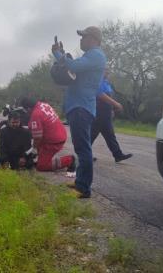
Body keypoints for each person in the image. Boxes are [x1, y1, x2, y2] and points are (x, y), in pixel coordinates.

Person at [52, 26, 107, 198]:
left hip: (82, 108)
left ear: (94, 39)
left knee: (83, 149)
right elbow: (74, 69)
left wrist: (58, 54)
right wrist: (62, 54)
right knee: (81, 147)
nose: (81, 40)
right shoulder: (91, 56)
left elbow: (73, 66)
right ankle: (79, 182)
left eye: (84, 37)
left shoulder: (96, 55)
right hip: (79, 107)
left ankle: (84, 188)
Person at [20, 97, 76, 172]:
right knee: (38, 149)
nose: (26, 112)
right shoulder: (43, 104)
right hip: (59, 133)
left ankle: (69, 160)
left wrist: (33, 149)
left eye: (25, 110)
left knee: (42, 166)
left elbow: (37, 138)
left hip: (54, 141)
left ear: (28, 108)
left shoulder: (35, 114)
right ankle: (41, 157)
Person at [92, 70, 133, 162]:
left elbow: (108, 97)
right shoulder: (97, 81)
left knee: (109, 135)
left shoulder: (106, 82)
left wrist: (111, 110)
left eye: (108, 72)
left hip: (105, 113)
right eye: (105, 71)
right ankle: (84, 154)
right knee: (92, 134)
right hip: (99, 112)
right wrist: (115, 104)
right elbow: (100, 95)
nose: (107, 73)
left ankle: (118, 155)